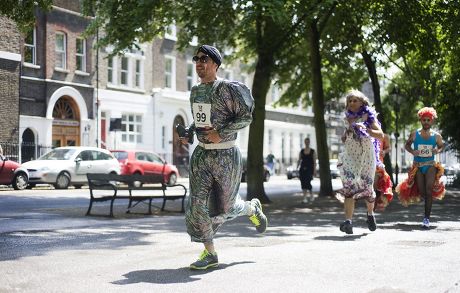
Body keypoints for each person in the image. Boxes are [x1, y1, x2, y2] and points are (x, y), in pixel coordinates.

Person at [179, 45, 268, 270]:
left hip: (226, 155)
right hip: (201, 156)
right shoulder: (196, 91)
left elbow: (246, 117)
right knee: (197, 204)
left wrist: (220, 133)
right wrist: (189, 132)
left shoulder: (228, 89)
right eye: (196, 58)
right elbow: (201, 121)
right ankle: (210, 253)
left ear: (216, 64)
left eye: (204, 59)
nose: (199, 62)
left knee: (225, 208)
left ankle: (251, 209)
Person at [336, 90, 384, 234]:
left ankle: (370, 215)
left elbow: (380, 135)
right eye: (349, 101)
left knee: (367, 188)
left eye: (355, 100)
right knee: (349, 187)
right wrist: (345, 134)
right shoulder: (346, 118)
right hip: (350, 154)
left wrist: (367, 129)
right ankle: (348, 222)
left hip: (366, 156)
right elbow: (343, 138)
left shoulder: (368, 116)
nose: (351, 103)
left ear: (362, 103)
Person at [395, 107, 445, 229]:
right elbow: (407, 145)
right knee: (423, 192)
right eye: (424, 120)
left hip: (430, 165)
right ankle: (426, 210)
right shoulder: (415, 134)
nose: (426, 122)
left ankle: (426, 218)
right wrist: (413, 151)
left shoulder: (436, 136)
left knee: (428, 191)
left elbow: (441, 146)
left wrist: (436, 150)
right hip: (418, 166)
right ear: (421, 121)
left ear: (432, 121)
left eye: (428, 120)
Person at [373, 133, 393, 212]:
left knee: (373, 189)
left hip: (378, 166)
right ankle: (371, 211)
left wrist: (384, 151)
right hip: (365, 165)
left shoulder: (384, 136)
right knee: (369, 189)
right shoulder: (365, 134)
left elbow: (388, 148)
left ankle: (371, 213)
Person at [297, 137, 317, 203]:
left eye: (308, 141)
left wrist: (314, 170)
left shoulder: (312, 151)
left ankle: (311, 195)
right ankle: (304, 197)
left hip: (310, 169)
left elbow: (314, 161)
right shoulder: (302, 151)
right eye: (305, 141)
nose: (307, 143)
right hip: (302, 169)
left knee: (308, 182)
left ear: (309, 142)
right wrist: (297, 167)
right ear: (304, 142)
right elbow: (299, 160)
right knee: (303, 183)